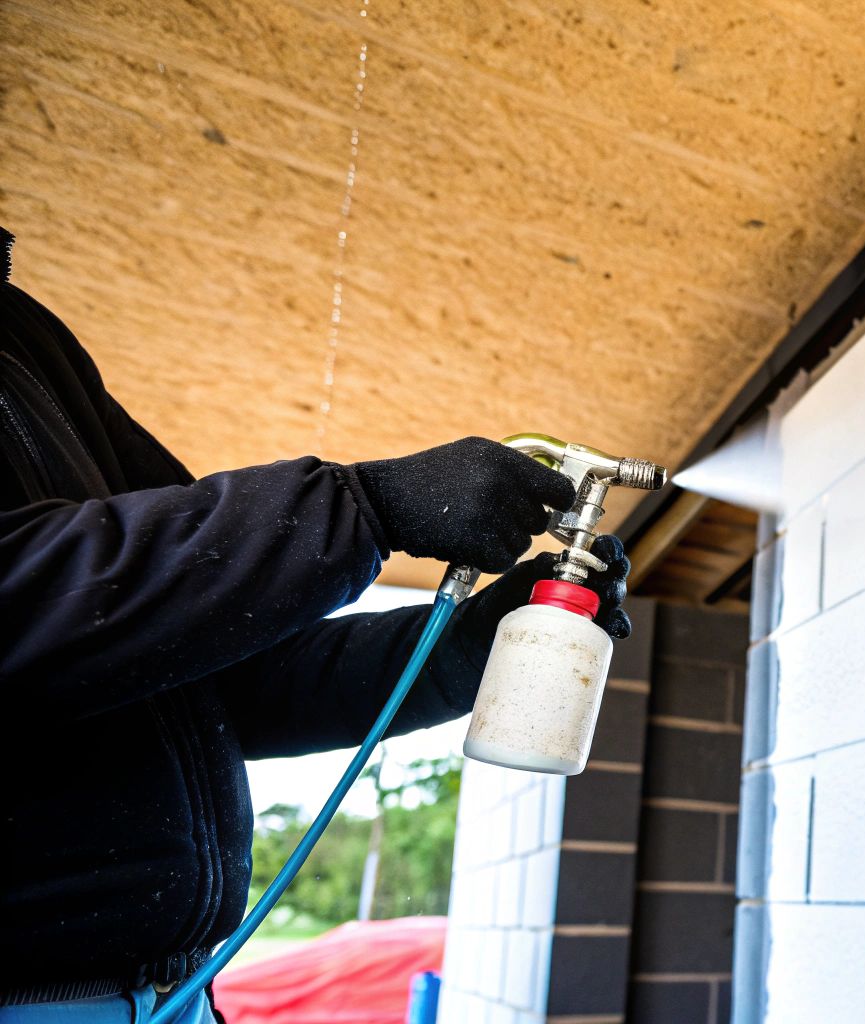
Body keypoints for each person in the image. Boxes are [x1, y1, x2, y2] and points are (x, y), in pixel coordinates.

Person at [0, 228, 634, 1022]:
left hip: (178, 995)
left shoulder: (26, 336)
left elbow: (220, 663)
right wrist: (361, 509)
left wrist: (464, 648)